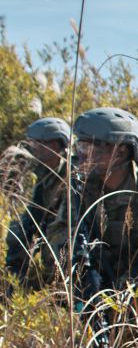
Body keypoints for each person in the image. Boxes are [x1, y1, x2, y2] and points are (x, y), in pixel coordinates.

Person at [46, 107, 138, 340]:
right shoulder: (80, 190)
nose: (81, 154)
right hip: (95, 283)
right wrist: (74, 264)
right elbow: (57, 233)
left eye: (90, 147)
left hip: (136, 292)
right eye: (80, 145)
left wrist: (120, 291)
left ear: (119, 153)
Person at [5, 117, 71, 290]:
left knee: (56, 250)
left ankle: (57, 291)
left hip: (62, 224)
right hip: (39, 220)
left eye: (39, 143)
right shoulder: (35, 167)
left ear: (55, 145)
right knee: (17, 232)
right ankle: (14, 284)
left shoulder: (71, 171)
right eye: (32, 142)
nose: (33, 147)